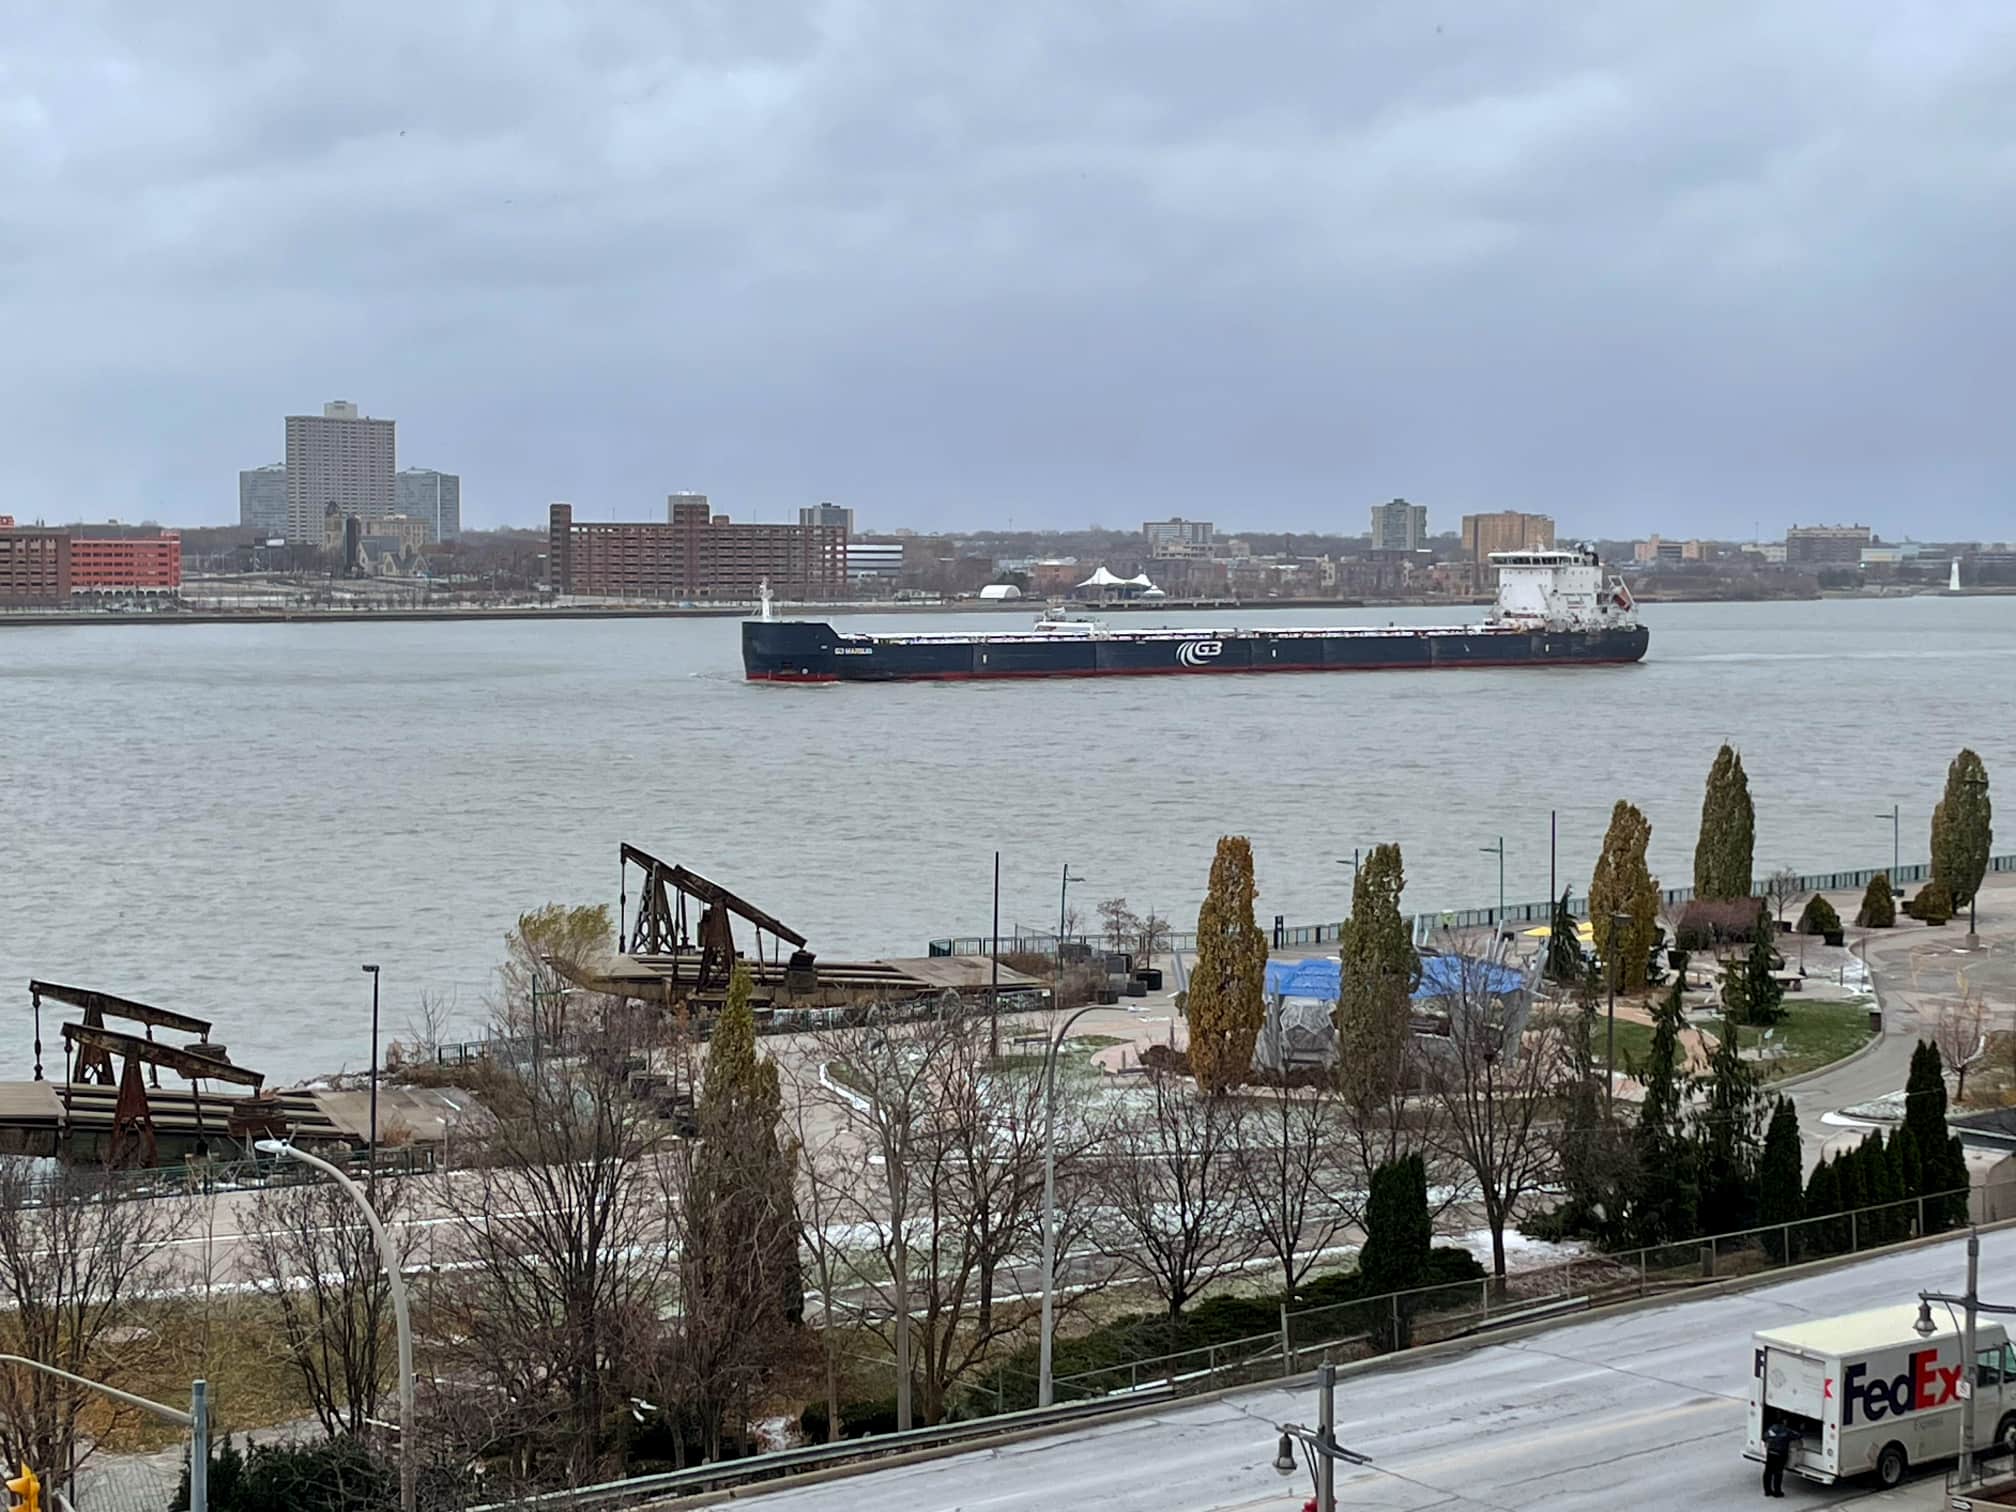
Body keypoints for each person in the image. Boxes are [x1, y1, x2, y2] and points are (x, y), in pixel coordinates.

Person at [1761, 1418, 1798, 1498]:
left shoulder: (1771, 1429)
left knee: (1768, 1472)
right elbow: (1797, 1436)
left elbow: (1764, 1437)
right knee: (1778, 1472)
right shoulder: (1787, 1431)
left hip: (1771, 1452)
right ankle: (1777, 1492)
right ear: (1784, 1422)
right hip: (1781, 1454)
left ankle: (1767, 1491)